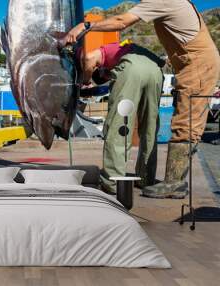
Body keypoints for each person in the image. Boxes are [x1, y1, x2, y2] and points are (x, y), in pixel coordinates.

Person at [64, 0, 220, 199]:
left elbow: (121, 21)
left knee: (178, 125)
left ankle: (151, 182)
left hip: (196, 66)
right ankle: (147, 177)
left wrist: (85, 27)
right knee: (150, 124)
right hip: (164, 68)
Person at [80, 42, 164, 193]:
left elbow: (88, 58)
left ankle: (113, 181)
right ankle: (146, 178)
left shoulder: (102, 52)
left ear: (100, 68)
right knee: (150, 127)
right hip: (155, 70)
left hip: (132, 68)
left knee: (119, 126)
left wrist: (85, 80)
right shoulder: (121, 49)